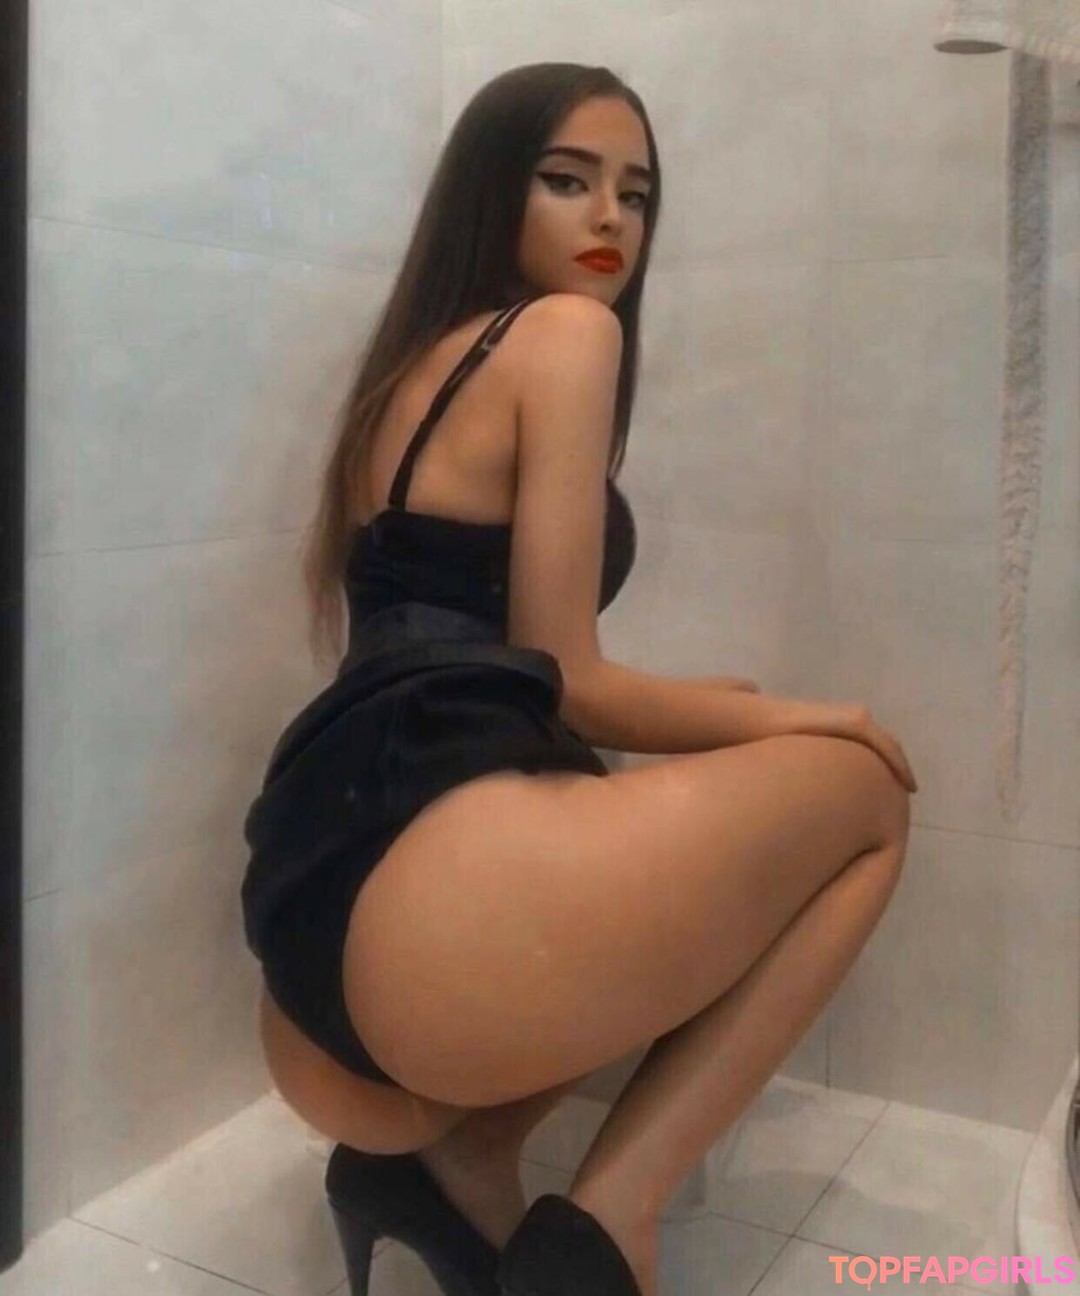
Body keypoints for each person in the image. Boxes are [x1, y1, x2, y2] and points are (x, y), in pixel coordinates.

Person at [240, 62, 917, 1296]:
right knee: (866, 796)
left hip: (315, 951)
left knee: (667, 774)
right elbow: (578, 682)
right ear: (493, 191)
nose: (610, 218)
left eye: (636, 193)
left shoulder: (412, 366)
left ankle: (448, 1167)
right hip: (433, 939)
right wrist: (817, 715)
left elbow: (477, 667)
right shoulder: (566, 334)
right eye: (567, 181)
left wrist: (728, 712)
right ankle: (610, 1221)